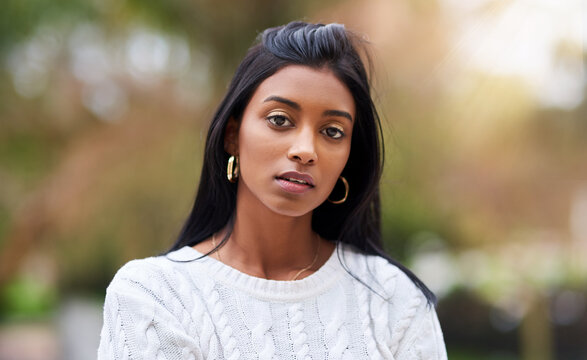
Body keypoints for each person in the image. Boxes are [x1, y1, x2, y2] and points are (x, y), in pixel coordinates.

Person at [98, 21, 447, 359]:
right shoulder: (156, 296)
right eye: (280, 120)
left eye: (333, 131)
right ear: (233, 134)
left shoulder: (394, 300)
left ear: (349, 157)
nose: (306, 150)